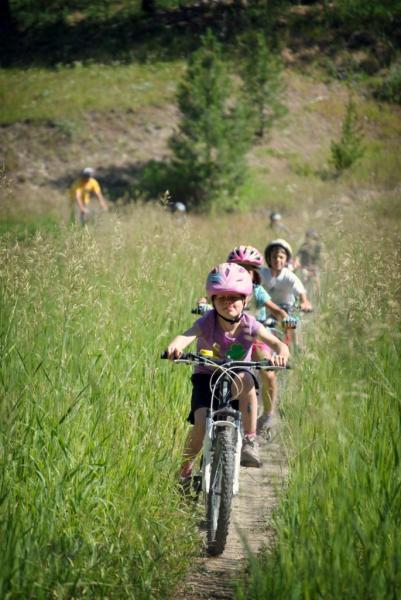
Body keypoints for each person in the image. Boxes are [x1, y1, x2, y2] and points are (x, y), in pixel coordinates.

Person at [165, 263, 289, 479]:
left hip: (237, 379)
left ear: (245, 300)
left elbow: (279, 345)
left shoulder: (250, 325)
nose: (227, 302)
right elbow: (187, 335)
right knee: (201, 425)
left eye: (234, 297)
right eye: (221, 297)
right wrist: (175, 347)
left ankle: (250, 440)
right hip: (207, 377)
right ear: (212, 300)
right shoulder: (207, 321)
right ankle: (184, 471)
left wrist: (281, 355)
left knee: (247, 379)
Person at [226, 245, 289, 437]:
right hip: (231, 336)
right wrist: (202, 304)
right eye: (240, 267)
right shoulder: (225, 289)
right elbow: (207, 298)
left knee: (268, 373)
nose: (245, 272)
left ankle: (268, 415)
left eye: (249, 268)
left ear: (255, 273)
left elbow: (276, 310)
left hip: (255, 336)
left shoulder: (257, 290)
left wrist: (285, 318)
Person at [258, 239, 312, 423]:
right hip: (266, 311)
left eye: (281, 256)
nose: (277, 260)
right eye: (274, 256)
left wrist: (304, 302)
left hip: (286, 311)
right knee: (262, 331)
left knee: (290, 324)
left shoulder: (289, 275)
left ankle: (295, 348)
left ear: (286, 258)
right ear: (268, 258)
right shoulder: (263, 273)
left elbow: (301, 292)